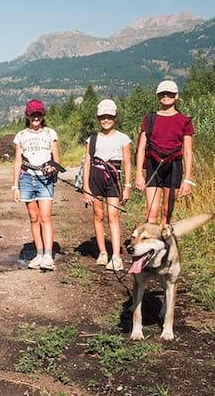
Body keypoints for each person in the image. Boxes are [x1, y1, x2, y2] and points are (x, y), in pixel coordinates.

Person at [82, 99, 132, 271]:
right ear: (98, 118)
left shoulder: (123, 139)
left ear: (115, 117)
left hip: (113, 179)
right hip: (95, 177)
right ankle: (103, 252)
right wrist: (85, 186)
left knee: (113, 216)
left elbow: (127, 164)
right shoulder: (92, 139)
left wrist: (127, 186)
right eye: (103, 116)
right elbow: (87, 162)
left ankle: (116, 256)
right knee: (98, 214)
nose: (106, 120)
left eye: (109, 116)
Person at [135, 80, 195, 224]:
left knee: (166, 211)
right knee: (152, 212)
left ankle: (164, 243)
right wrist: (138, 175)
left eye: (170, 93)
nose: (166, 96)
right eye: (163, 93)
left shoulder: (184, 121)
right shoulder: (149, 119)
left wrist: (187, 179)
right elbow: (141, 148)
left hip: (174, 167)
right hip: (153, 165)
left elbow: (187, 152)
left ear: (176, 95)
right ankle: (150, 243)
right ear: (158, 96)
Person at [12, 99, 59, 271]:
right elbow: (18, 161)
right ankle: (38, 254)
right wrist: (15, 186)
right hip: (26, 179)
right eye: (33, 114)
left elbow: (56, 159)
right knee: (34, 218)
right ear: (27, 115)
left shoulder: (50, 134)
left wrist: (51, 169)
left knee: (45, 217)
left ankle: (48, 255)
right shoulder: (21, 136)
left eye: (38, 114)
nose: (36, 117)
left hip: (45, 180)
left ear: (43, 115)